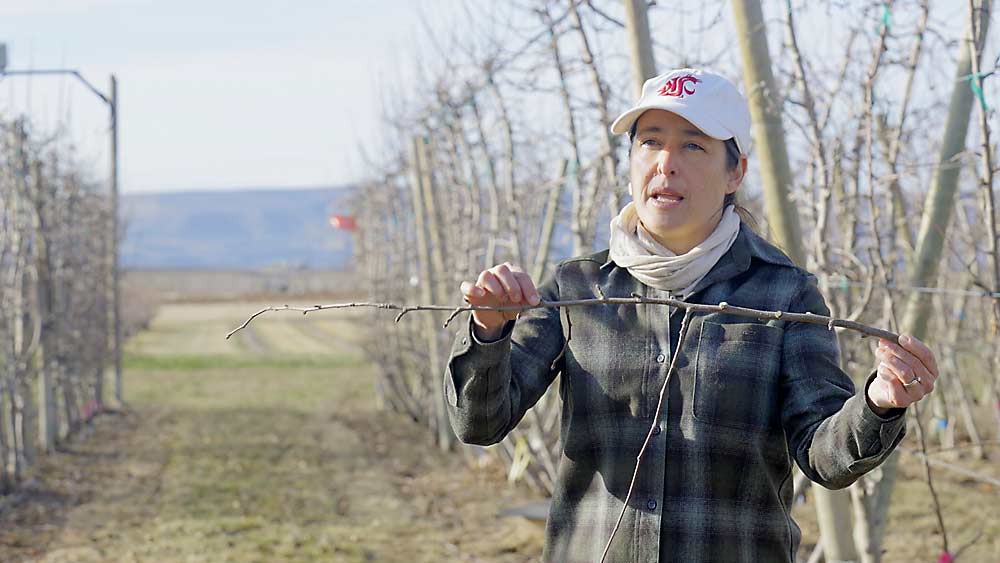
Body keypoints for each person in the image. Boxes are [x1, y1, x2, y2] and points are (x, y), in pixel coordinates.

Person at [444, 68, 937, 563]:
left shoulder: (784, 293)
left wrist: (878, 402)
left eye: (693, 146)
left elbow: (823, 455)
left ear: (735, 172)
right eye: (650, 142)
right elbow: (480, 423)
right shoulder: (577, 289)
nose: (665, 163)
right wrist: (490, 333)